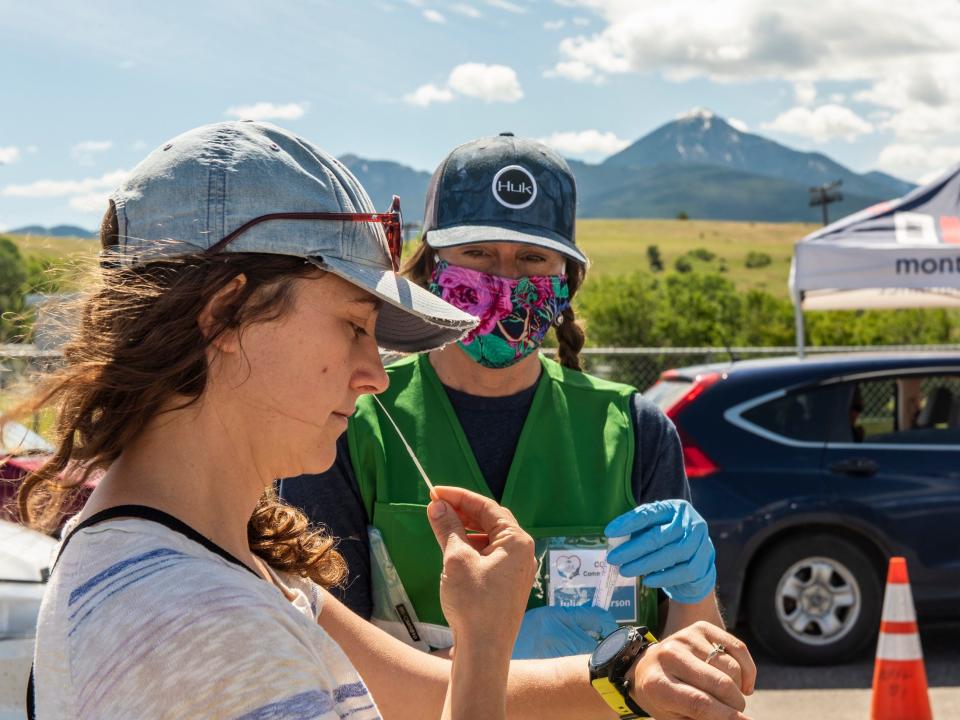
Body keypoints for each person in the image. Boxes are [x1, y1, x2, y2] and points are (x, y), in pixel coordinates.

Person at [19, 121, 756, 720]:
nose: (374, 373)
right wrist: (489, 641)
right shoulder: (200, 631)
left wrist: (631, 673)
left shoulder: (242, 573)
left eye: (532, 260)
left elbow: (411, 689)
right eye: (351, 324)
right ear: (226, 316)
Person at [281, 133, 723, 659]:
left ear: (566, 281)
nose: (505, 279)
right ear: (431, 268)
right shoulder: (354, 420)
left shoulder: (634, 430)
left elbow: (698, 664)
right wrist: (500, 661)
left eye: (533, 258)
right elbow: (330, 659)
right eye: (479, 253)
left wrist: (696, 595)